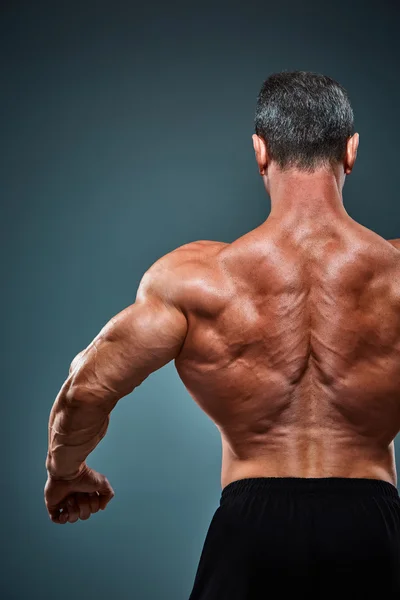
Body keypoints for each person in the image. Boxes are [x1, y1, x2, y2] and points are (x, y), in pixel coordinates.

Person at [44, 71, 400, 597]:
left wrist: (65, 470)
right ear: (351, 151)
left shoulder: (199, 280)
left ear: (260, 151)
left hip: (250, 530)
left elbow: (86, 388)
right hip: (372, 529)